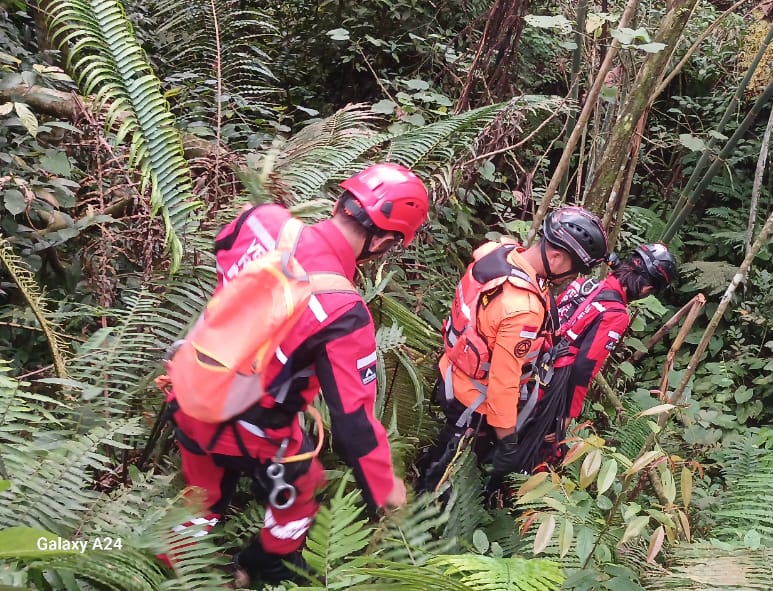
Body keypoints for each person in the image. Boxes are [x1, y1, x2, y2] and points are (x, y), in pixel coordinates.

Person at [161, 162, 430, 586]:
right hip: (251, 429)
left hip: (189, 388)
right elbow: (353, 424)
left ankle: (167, 566)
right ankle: (264, 563)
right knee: (301, 492)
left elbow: (223, 249)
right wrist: (385, 491)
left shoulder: (263, 220)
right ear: (382, 240)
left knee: (203, 495)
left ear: (343, 201)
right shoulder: (343, 311)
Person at [415, 206, 608, 502]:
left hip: (451, 374)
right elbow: (503, 383)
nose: (571, 280)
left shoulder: (498, 252)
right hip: (474, 404)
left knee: (443, 451)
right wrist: (507, 439)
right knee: (446, 473)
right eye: (573, 271)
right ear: (556, 258)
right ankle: (418, 518)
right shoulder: (523, 310)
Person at [517, 243, 678, 473]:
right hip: (549, 389)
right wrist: (567, 416)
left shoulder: (584, 284)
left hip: (528, 365)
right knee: (536, 457)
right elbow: (585, 368)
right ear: (646, 289)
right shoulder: (615, 313)